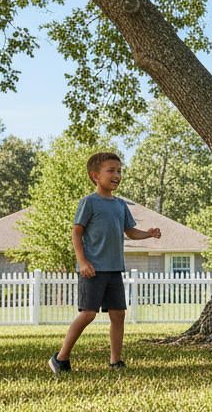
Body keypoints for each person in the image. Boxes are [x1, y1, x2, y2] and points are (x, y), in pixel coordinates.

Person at [48, 152, 162, 374]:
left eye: (119, 171)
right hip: (92, 269)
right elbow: (76, 233)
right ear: (95, 176)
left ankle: (115, 361)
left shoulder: (120, 205)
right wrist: (82, 261)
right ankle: (60, 359)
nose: (116, 175)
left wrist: (148, 234)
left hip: (114, 269)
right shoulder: (89, 202)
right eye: (111, 170)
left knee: (118, 314)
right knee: (88, 314)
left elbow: (130, 231)